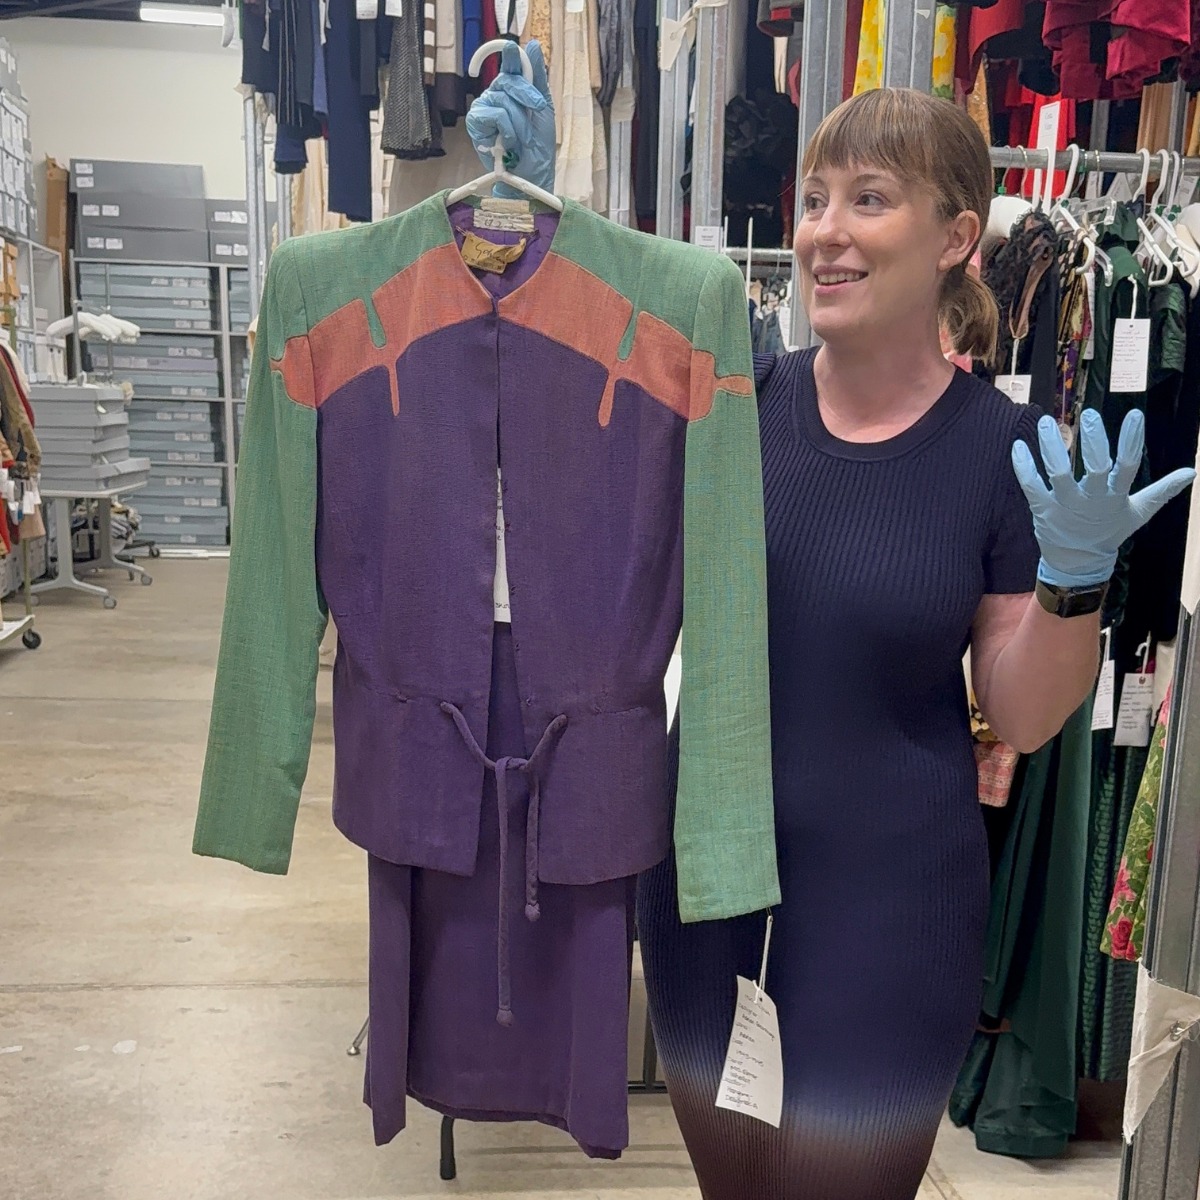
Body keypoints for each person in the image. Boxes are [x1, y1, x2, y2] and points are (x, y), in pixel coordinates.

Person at [464, 81, 1193, 1198]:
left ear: (957, 238)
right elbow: (567, 413)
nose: (823, 232)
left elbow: (1029, 709)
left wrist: (1074, 585)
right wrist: (539, 217)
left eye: (868, 199)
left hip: (892, 920)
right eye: (812, 201)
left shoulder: (1003, 454)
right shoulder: (732, 405)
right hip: (708, 898)